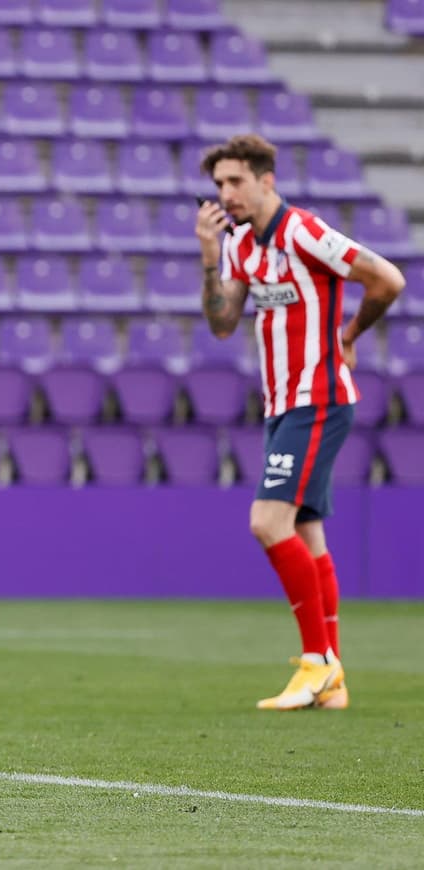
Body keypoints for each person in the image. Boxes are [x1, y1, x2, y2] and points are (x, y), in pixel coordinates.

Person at [195, 134, 405, 711]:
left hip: (318, 396)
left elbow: (387, 278)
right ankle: (332, 684)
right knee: (307, 531)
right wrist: (211, 257)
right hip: (281, 401)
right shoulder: (239, 244)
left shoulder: (303, 231)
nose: (225, 194)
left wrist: (348, 335)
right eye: (218, 185)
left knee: (268, 521)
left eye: (235, 181)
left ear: (266, 179)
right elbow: (221, 323)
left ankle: (316, 662)